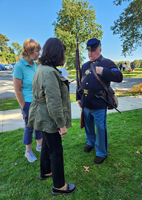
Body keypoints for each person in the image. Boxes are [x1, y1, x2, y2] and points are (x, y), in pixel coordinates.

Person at [27, 38, 76, 196]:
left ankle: (46, 172)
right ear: (57, 53)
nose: (64, 56)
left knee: (47, 146)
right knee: (56, 151)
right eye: (62, 52)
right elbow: (54, 103)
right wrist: (61, 125)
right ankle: (59, 186)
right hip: (48, 117)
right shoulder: (49, 72)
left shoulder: (43, 68)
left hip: (42, 115)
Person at [76, 38, 123, 164]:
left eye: (93, 50)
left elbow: (119, 76)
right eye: (89, 50)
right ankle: (90, 142)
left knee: (100, 129)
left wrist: (104, 71)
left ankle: (101, 152)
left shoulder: (107, 63)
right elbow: (79, 82)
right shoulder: (85, 65)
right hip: (86, 102)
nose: (90, 53)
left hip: (99, 102)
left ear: (100, 50)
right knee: (88, 126)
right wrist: (78, 97)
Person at [12, 39, 42, 163]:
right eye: (37, 51)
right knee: (29, 127)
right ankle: (28, 151)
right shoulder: (19, 66)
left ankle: (39, 145)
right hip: (27, 102)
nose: (39, 54)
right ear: (29, 51)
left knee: (39, 124)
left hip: (37, 101)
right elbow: (17, 90)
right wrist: (24, 106)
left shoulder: (35, 65)